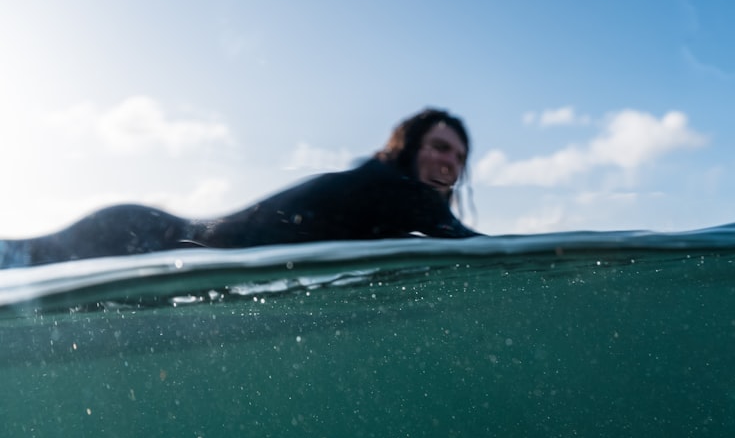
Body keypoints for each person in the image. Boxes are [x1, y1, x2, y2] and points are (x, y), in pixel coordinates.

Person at [0, 108, 480, 269]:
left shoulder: (387, 197)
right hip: (143, 240)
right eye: (439, 147)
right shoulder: (395, 189)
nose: (449, 163)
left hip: (155, 241)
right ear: (409, 147)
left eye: (458, 157)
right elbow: (478, 250)